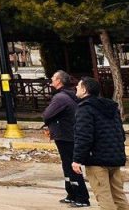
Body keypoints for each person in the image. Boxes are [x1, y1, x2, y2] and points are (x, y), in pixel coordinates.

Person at [73, 76, 128, 210]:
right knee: (118, 195)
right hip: (115, 157)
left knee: (104, 196)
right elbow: (121, 134)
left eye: (79, 86)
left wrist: (77, 159)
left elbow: (84, 136)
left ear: (85, 89)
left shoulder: (85, 108)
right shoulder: (111, 106)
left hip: (96, 160)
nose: (76, 88)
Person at [44, 70, 90, 206]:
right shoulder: (67, 95)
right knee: (67, 166)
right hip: (68, 134)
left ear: (58, 81)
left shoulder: (60, 98)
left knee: (71, 166)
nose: (51, 79)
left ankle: (81, 198)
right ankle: (71, 194)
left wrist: (49, 122)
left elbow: (46, 114)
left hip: (66, 136)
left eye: (53, 78)